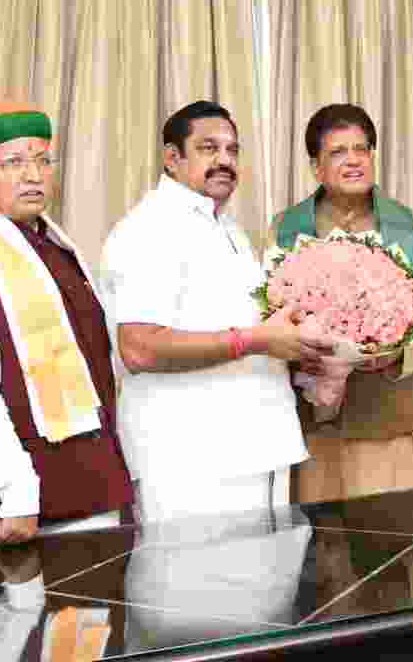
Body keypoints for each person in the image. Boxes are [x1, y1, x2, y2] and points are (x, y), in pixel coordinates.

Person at [98, 100, 332, 523]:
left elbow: (246, 331)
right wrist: (259, 340)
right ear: (172, 158)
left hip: (255, 451)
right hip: (194, 464)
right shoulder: (150, 229)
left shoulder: (228, 228)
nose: (225, 160)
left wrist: (298, 347)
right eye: (209, 148)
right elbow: (139, 348)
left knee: (265, 586)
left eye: (233, 150)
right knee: (199, 588)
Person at [0, 102, 134, 545]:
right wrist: (15, 491)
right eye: (14, 162)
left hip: (91, 483)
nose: (33, 175)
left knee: (102, 608)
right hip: (23, 505)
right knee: (38, 614)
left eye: (42, 160)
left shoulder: (54, 245)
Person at [271, 103, 413, 504]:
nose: (353, 160)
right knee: (323, 555)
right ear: (316, 166)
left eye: (362, 149)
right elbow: (268, 316)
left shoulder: (410, 227)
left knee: (397, 554)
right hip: (316, 430)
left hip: (393, 422)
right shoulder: (286, 230)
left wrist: (394, 356)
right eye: (338, 152)